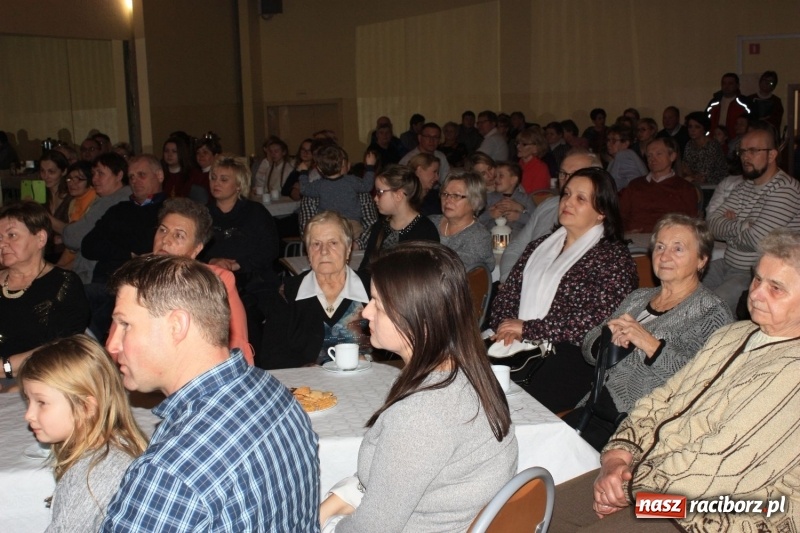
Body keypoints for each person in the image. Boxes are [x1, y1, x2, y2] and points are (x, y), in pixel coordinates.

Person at [550, 228, 800, 532]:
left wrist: (628, 490)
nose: (756, 293)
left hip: (716, 510)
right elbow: (662, 399)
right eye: (758, 279)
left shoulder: (792, 370)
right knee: (543, 509)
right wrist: (617, 457)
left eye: (776, 288)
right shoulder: (733, 334)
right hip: (648, 472)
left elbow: (721, 468)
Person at [101, 255, 320, 531]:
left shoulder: (170, 474)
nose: (112, 345)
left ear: (176, 326)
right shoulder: (274, 393)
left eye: (124, 325)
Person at [319, 241, 518, 532]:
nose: (366, 312)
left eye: (378, 304)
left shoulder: (422, 415)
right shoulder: (469, 372)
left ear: (417, 317)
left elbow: (374, 528)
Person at [563, 215, 733, 451]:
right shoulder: (638, 298)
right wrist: (606, 338)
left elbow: (704, 382)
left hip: (639, 428)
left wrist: (650, 344)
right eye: (660, 247)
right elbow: (588, 347)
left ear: (702, 260)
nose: (664, 256)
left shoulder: (712, 313)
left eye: (678, 249)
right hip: (592, 408)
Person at [490, 168, 637, 413]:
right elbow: (507, 294)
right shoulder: (539, 246)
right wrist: (505, 326)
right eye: (566, 194)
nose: (568, 202)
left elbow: (595, 321)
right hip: (518, 345)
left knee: (507, 406)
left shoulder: (613, 259)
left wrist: (528, 329)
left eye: (580, 198)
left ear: (601, 212)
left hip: (571, 356)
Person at [18, 335, 148, 532]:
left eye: (41, 402)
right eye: (28, 400)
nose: (28, 415)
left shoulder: (96, 476)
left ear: (86, 407)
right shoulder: (105, 449)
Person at [705, 121, 800, 314]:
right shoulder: (745, 186)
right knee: (682, 290)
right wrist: (742, 226)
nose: (746, 157)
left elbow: (758, 241)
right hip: (727, 264)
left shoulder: (785, 189)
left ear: (772, 155)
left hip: (757, 273)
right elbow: (711, 225)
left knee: (710, 311)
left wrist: (730, 228)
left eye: (754, 151)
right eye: (742, 151)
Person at [262, 211, 371, 368]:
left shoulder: (373, 289)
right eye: (316, 244)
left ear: (348, 249)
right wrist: (307, 370)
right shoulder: (288, 293)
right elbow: (271, 356)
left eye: (333, 243)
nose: (324, 251)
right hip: (307, 382)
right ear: (307, 251)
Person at [152, 198, 254, 365]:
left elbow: (237, 343)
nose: (165, 240)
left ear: (196, 249)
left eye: (178, 235)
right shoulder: (135, 279)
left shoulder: (216, 280)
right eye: (163, 230)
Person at [0, 202, 90, 386]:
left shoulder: (64, 284)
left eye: (12, 235)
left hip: (39, 380)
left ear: (40, 238)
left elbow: (64, 347)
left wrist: (5, 367)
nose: (2, 244)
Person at [201, 155, 279, 361]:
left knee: (257, 315)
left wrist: (238, 265)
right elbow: (194, 250)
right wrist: (212, 262)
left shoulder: (256, 212)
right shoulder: (203, 215)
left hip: (253, 281)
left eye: (224, 179)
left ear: (238, 185)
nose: (216, 183)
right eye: (213, 178)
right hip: (212, 285)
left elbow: (270, 249)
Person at [499, 149, 601, 283]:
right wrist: (508, 280)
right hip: (521, 282)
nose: (566, 180)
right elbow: (516, 247)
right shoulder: (548, 205)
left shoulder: (595, 217)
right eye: (563, 173)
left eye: (576, 174)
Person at [358, 165, 439, 286]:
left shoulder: (425, 231)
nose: (375, 198)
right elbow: (366, 269)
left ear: (399, 195)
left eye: (379, 192)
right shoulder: (380, 226)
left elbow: (425, 281)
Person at [61, 152, 131, 284]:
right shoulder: (123, 197)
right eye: (93, 174)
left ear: (119, 175)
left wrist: (68, 230)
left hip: (94, 277)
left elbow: (73, 238)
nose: (95, 179)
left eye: (101, 174)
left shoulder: (111, 202)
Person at [619, 137, 699, 233]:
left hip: (668, 238)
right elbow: (620, 216)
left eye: (658, 154)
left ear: (672, 156)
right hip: (635, 237)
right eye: (649, 155)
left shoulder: (685, 188)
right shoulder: (635, 185)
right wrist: (625, 233)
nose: (652, 159)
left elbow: (691, 223)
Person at [300, 144, 375, 239]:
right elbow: (367, 185)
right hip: (351, 225)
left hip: (328, 226)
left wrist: (303, 172)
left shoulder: (319, 185)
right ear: (342, 164)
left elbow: (304, 189)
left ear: (319, 169)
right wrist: (370, 167)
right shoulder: (352, 181)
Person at [430, 170, 494, 270]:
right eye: (445, 194)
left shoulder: (479, 237)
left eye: (456, 196)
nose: (448, 200)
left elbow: (451, 271)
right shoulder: (430, 222)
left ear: (474, 202)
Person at [55, 161, 97, 270]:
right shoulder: (73, 202)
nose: (72, 183)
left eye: (79, 179)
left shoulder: (96, 201)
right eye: (69, 179)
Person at [479, 161, 536, 234]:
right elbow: (477, 221)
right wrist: (490, 214)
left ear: (513, 180)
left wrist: (519, 216)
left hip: (518, 237)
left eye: (501, 176)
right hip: (492, 237)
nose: (496, 179)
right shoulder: (489, 198)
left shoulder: (525, 199)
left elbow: (536, 221)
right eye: (495, 176)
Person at [681, 111, 729, 184]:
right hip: (696, 183)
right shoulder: (689, 144)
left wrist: (690, 174)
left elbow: (704, 175)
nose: (692, 130)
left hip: (715, 185)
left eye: (697, 127)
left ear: (704, 129)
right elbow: (684, 168)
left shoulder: (712, 145)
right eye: (690, 127)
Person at [706, 72, 753, 141]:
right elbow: (706, 122)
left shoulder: (745, 102)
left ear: (737, 85)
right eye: (724, 83)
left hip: (736, 140)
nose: (726, 86)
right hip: (715, 140)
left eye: (730, 83)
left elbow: (752, 123)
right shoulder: (714, 102)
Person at [161, 135, 205, 203]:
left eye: (174, 151)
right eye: (166, 151)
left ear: (181, 153)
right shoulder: (160, 174)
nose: (169, 155)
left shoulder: (193, 175)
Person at [605, 125, 647, 191]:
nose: (608, 144)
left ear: (625, 143)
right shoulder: (615, 158)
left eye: (613, 141)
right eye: (608, 140)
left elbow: (635, 184)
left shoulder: (624, 155)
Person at [516, 127, 551, 192]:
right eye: (518, 143)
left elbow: (536, 195)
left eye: (524, 144)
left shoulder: (540, 168)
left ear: (535, 148)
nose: (518, 146)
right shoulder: (520, 163)